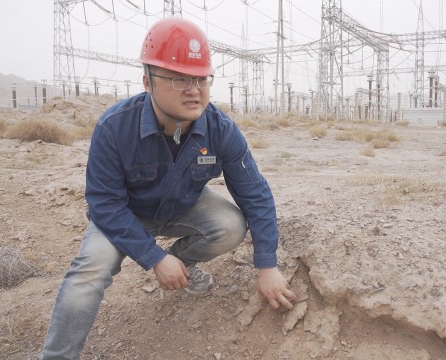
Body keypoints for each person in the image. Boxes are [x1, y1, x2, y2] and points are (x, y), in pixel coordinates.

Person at [39, 17, 296, 359]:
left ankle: (183, 262)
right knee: (90, 269)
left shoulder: (221, 130)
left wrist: (267, 265)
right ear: (147, 81)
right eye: (178, 78)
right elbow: (104, 204)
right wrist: (153, 258)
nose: (194, 89)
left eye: (201, 78)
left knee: (231, 225)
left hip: (181, 208)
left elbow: (256, 194)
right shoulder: (115, 127)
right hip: (125, 215)